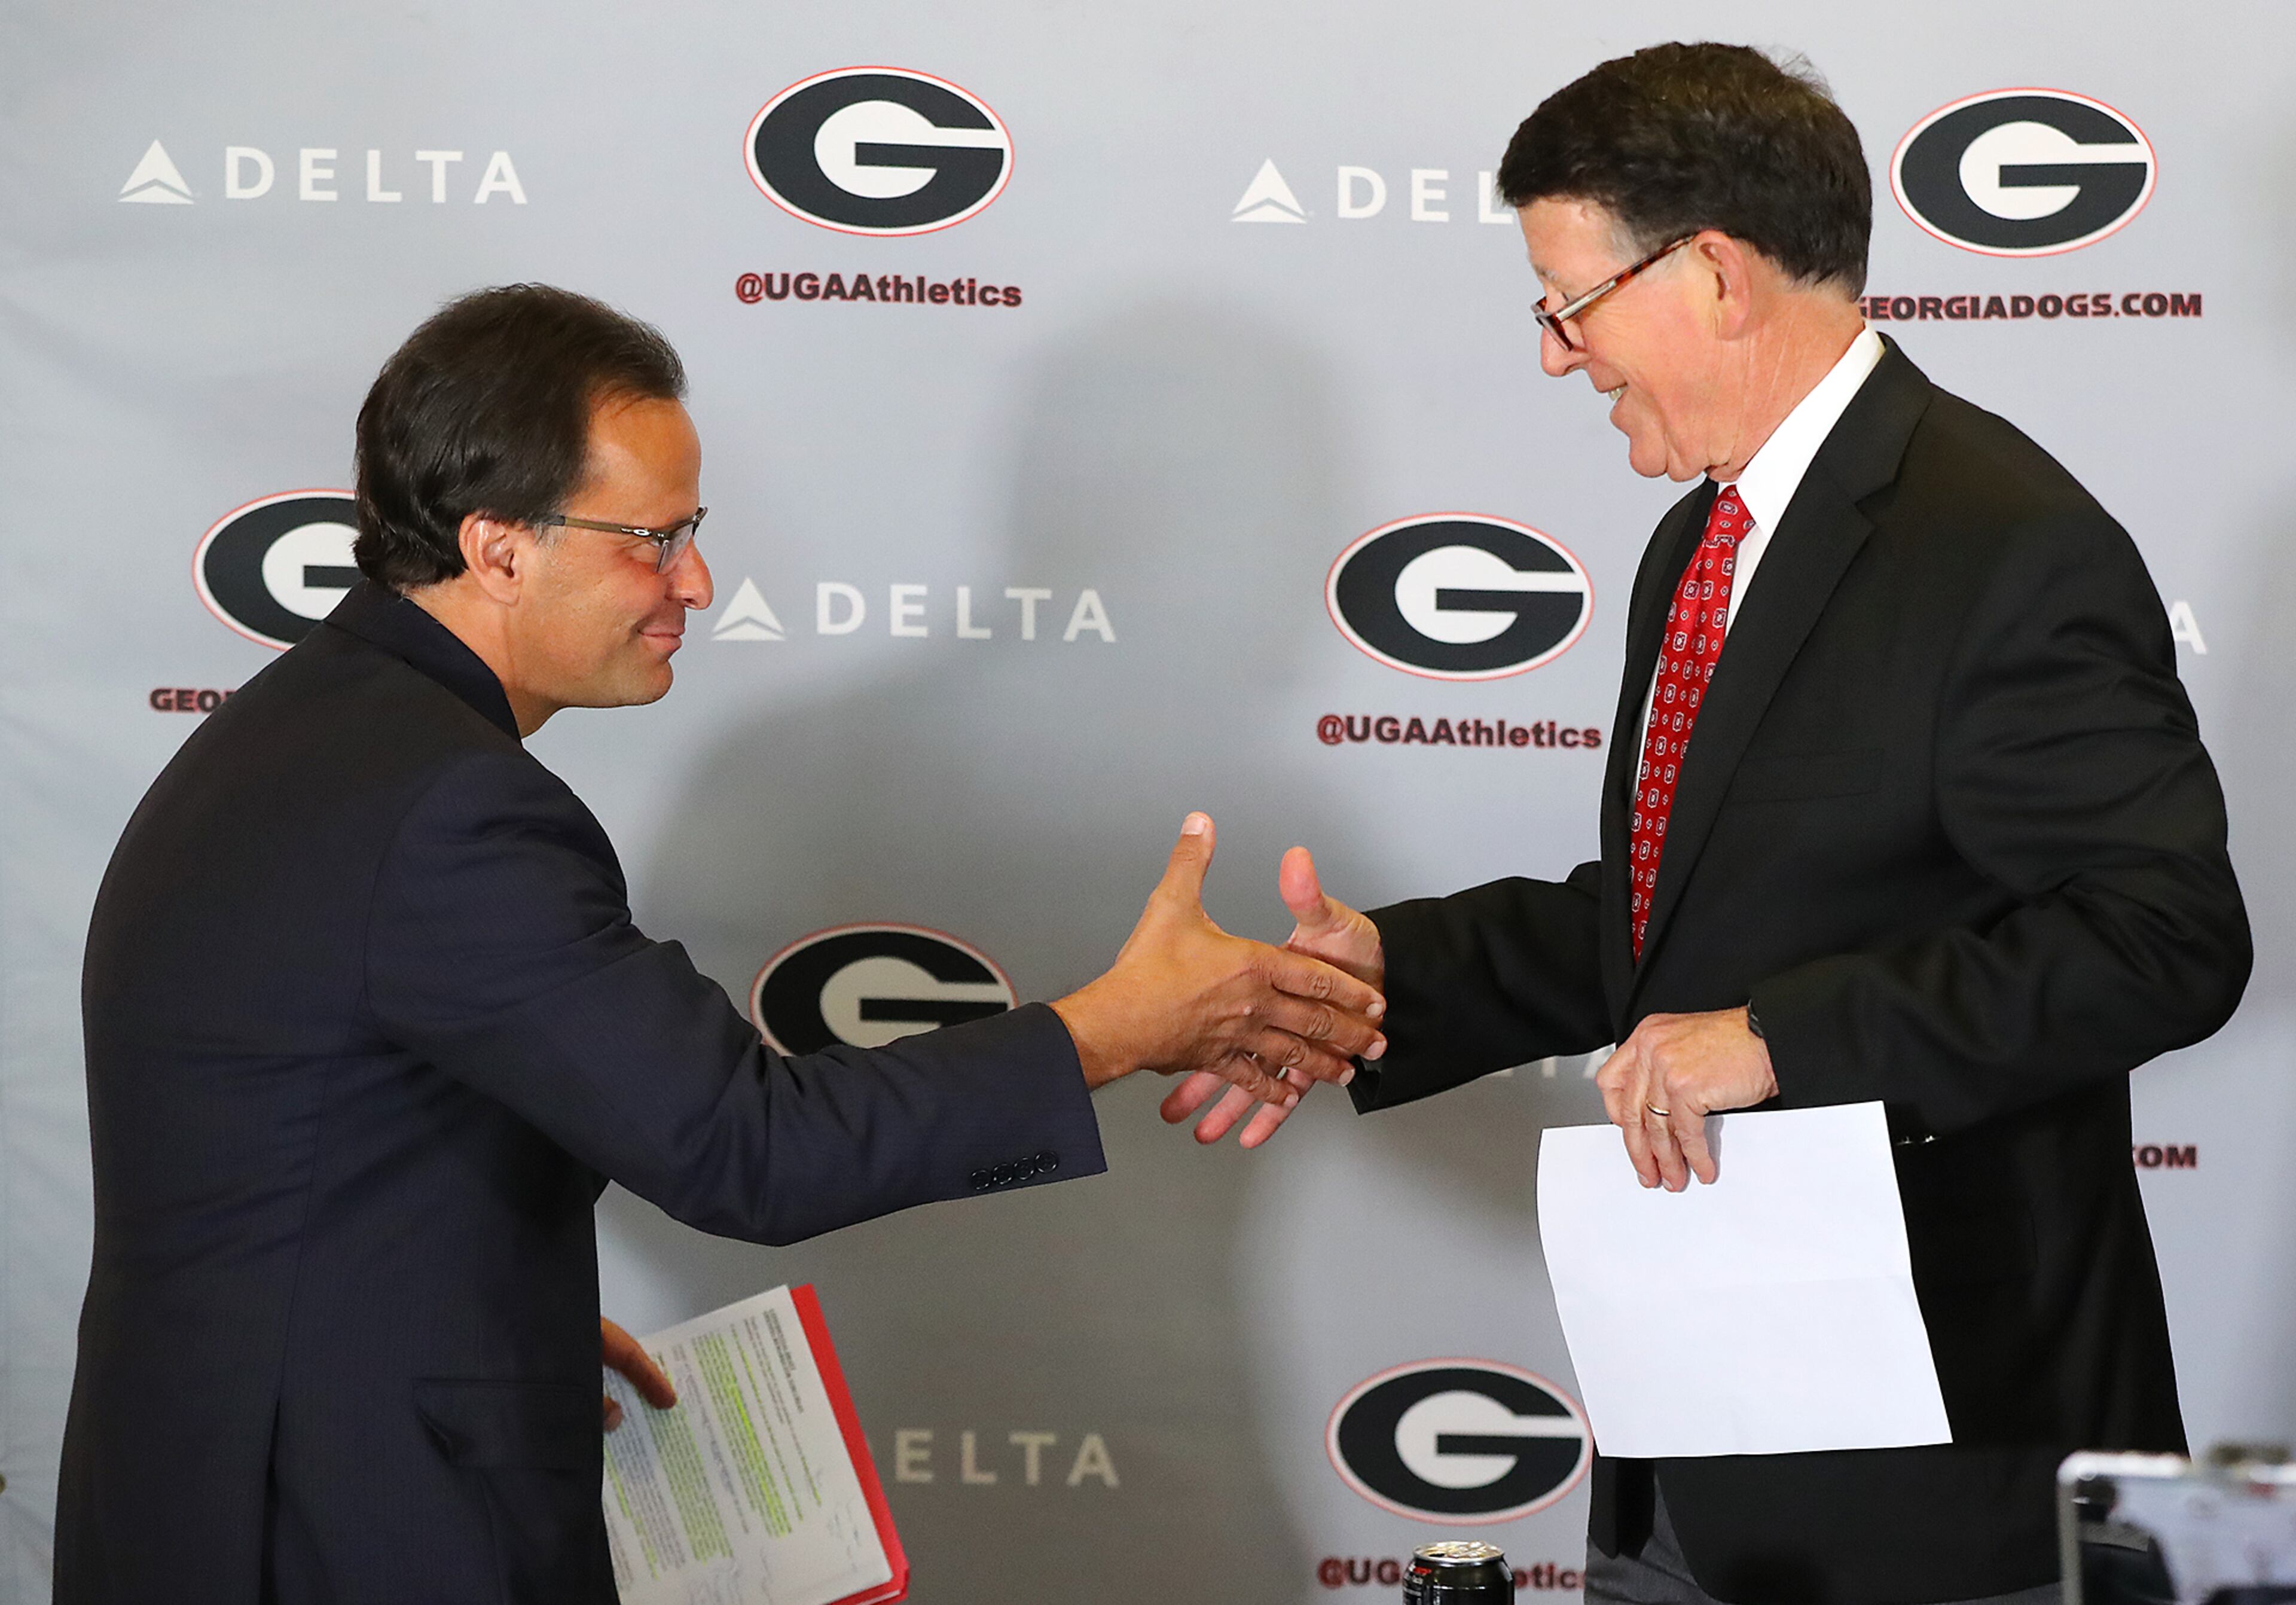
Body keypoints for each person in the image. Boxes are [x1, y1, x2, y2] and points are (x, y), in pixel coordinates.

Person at [56, 284, 1386, 1604]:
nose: (693, 582)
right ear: (499, 549)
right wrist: (1113, 1028)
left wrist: (485, 1315)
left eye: (691, 535)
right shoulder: (452, 808)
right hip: (340, 1532)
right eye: (653, 540)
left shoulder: (305, 737)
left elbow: (299, 1160)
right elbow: (747, 1146)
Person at [1166, 41, 2248, 1605]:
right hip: (1692, 1449)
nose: (1559, 355)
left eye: (1571, 303)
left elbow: (2164, 937)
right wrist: (1380, 976)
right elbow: (1679, 909)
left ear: (1718, 276)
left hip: (1938, 1487)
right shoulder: (1703, 540)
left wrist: (1775, 1040)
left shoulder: (2004, 546)